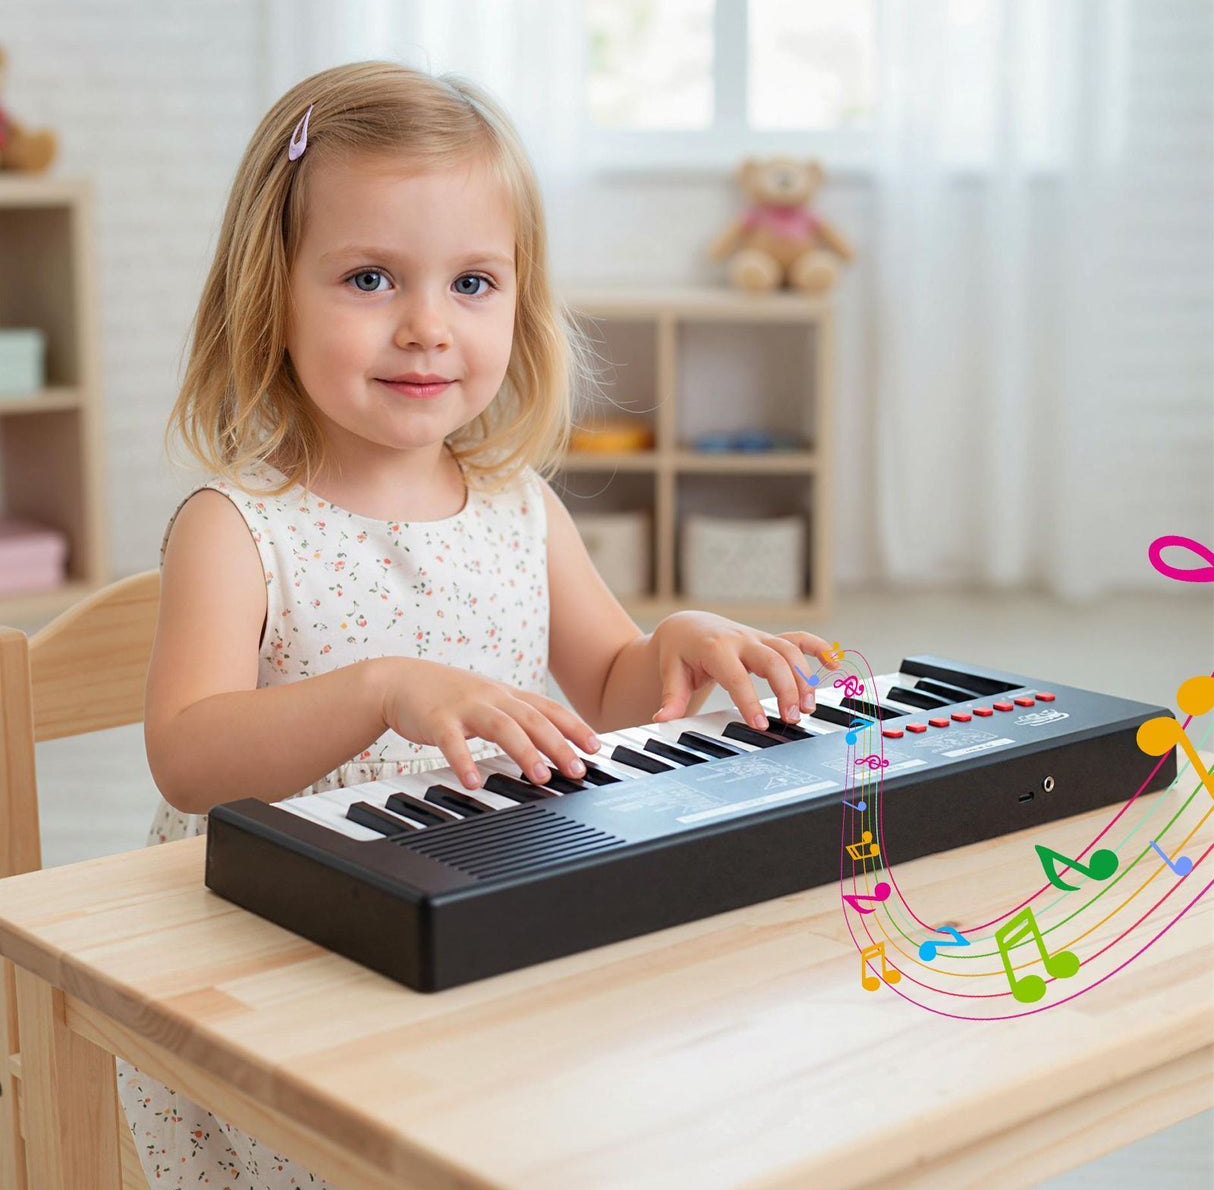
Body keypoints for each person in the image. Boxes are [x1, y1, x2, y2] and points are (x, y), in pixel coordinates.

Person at [117, 59, 837, 1187]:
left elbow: (607, 682)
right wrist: (375, 689)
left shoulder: (518, 505)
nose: (424, 327)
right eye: (367, 277)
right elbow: (188, 754)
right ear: (271, 295)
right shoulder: (236, 526)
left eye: (471, 283)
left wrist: (677, 637)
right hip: (288, 949)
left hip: (482, 906)